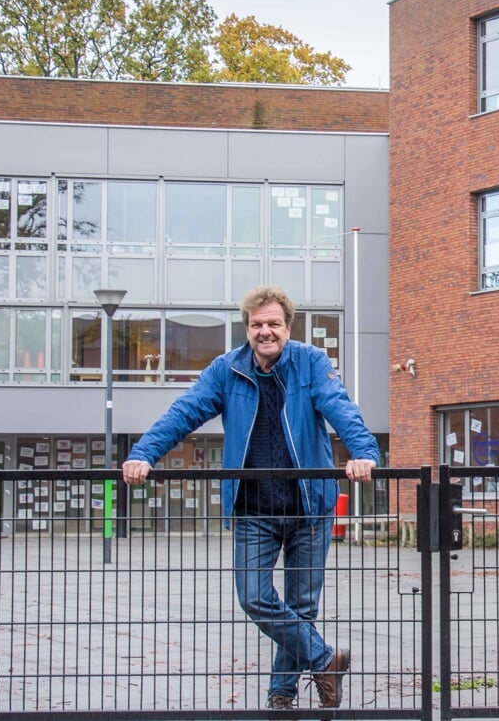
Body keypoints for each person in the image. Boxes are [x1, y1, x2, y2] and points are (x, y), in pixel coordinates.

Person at [122, 285, 380, 710]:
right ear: (246, 328)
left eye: (273, 323)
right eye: (257, 324)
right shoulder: (226, 370)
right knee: (254, 597)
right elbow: (184, 413)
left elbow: (340, 408)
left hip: (308, 504)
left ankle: (281, 694)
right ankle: (324, 659)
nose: (266, 332)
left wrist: (365, 453)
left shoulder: (310, 363)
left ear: (287, 327)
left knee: (301, 604)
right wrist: (143, 454)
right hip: (254, 508)